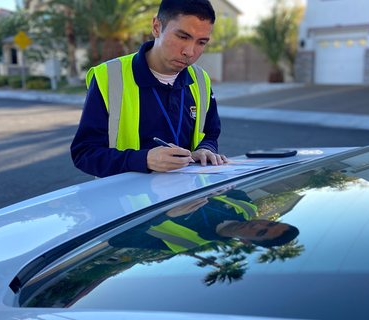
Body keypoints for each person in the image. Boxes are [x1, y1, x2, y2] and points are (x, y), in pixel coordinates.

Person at [70, 0, 228, 178]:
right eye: (183, 37)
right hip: (129, 203)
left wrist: (205, 149)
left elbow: (210, 133)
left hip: (187, 198)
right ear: (156, 27)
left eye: (201, 42)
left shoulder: (200, 79)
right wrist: (143, 159)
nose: (190, 52)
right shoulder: (109, 77)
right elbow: (84, 154)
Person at [108, 187, 300, 253]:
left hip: (118, 199)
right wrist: (219, 188)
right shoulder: (247, 206)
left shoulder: (184, 243)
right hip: (155, 171)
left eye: (261, 232)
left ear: (246, 242)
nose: (258, 224)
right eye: (271, 223)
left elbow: (117, 240)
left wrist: (164, 217)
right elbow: (224, 179)